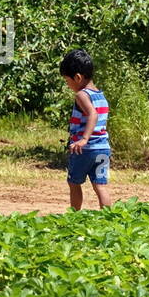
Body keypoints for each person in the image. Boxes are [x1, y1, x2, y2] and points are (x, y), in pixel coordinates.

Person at [60, 49, 113, 210]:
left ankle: (74, 216)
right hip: (103, 147)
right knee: (100, 185)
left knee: (73, 182)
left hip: (85, 149)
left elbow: (93, 115)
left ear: (77, 77)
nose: (68, 85)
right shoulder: (100, 95)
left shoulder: (82, 95)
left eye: (67, 81)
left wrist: (83, 139)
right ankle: (109, 218)